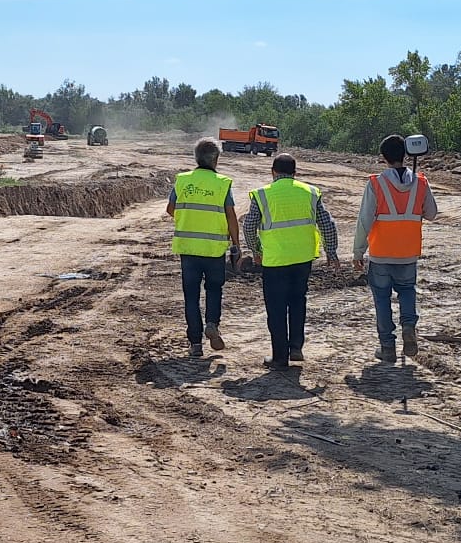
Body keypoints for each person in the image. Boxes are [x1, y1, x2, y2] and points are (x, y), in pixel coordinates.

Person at [241, 153, 340, 372]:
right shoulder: (310, 192)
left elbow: (249, 227)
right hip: (302, 258)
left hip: (275, 260)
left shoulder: (262, 195)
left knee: (276, 309)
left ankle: (279, 357)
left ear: (273, 172)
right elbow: (327, 224)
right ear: (295, 173)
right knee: (297, 302)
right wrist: (331, 253)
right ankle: (296, 346)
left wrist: (256, 250)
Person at [352, 134, 440, 362]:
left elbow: (365, 220)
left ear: (383, 157)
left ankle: (387, 347)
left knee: (382, 299)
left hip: (381, 252)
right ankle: (409, 327)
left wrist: (358, 251)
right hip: (408, 252)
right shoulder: (421, 182)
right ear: (406, 155)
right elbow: (431, 213)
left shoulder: (376, 183)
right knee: (407, 291)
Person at [166, 138, 241, 359]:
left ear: (196, 158)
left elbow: (171, 209)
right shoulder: (221, 183)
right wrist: (236, 244)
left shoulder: (182, 180)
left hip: (188, 249)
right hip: (214, 249)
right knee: (214, 289)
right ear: (216, 159)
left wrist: (190, 220)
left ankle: (195, 343)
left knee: (191, 295)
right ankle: (212, 323)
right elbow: (231, 215)